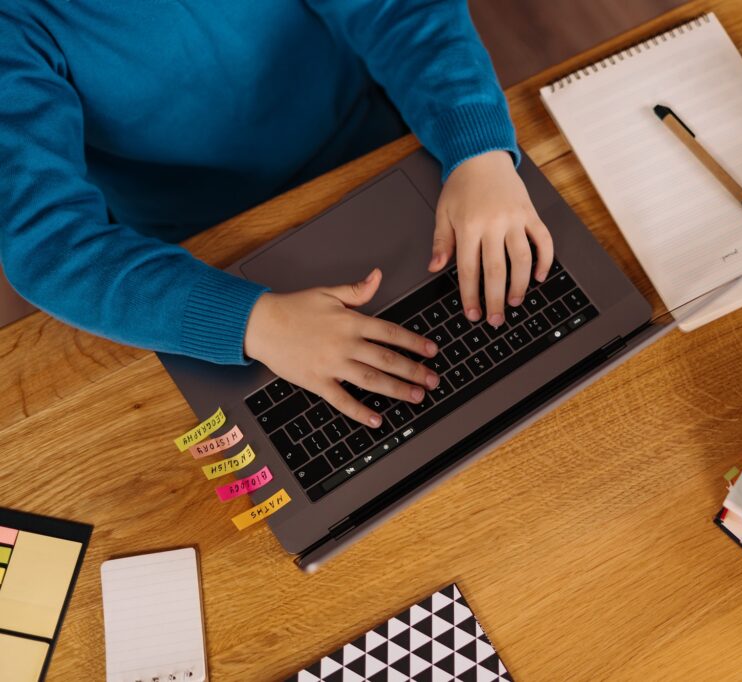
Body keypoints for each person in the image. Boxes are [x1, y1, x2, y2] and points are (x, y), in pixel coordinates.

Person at [0, 1, 553, 429]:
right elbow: (49, 243)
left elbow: (400, 10)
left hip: (375, 151)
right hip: (203, 256)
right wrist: (250, 324)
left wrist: (476, 151)